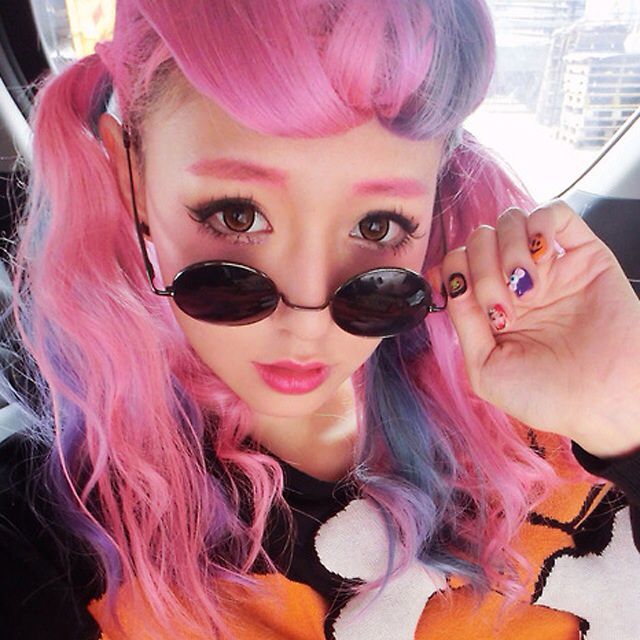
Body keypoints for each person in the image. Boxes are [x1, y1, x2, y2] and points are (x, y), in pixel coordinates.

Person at [0, 0, 639, 638]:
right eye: (236, 216)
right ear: (130, 176)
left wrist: (625, 416)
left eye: (377, 226)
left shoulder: (552, 391)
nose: (307, 322)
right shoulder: (52, 527)